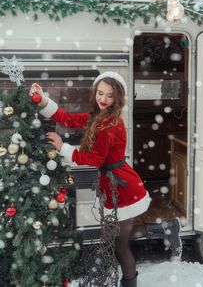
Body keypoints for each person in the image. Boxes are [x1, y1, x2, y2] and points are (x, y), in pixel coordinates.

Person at [29, 71, 182, 287]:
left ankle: (130, 281)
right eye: (100, 93)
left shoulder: (109, 125)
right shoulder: (98, 117)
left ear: (117, 98)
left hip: (122, 187)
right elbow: (69, 119)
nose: (103, 99)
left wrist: (62, 147)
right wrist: (43, 100)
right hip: (114, 184)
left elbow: (94, 160)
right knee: (117, 237)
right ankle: (165, 228)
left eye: (109, 96)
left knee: (120, 244)